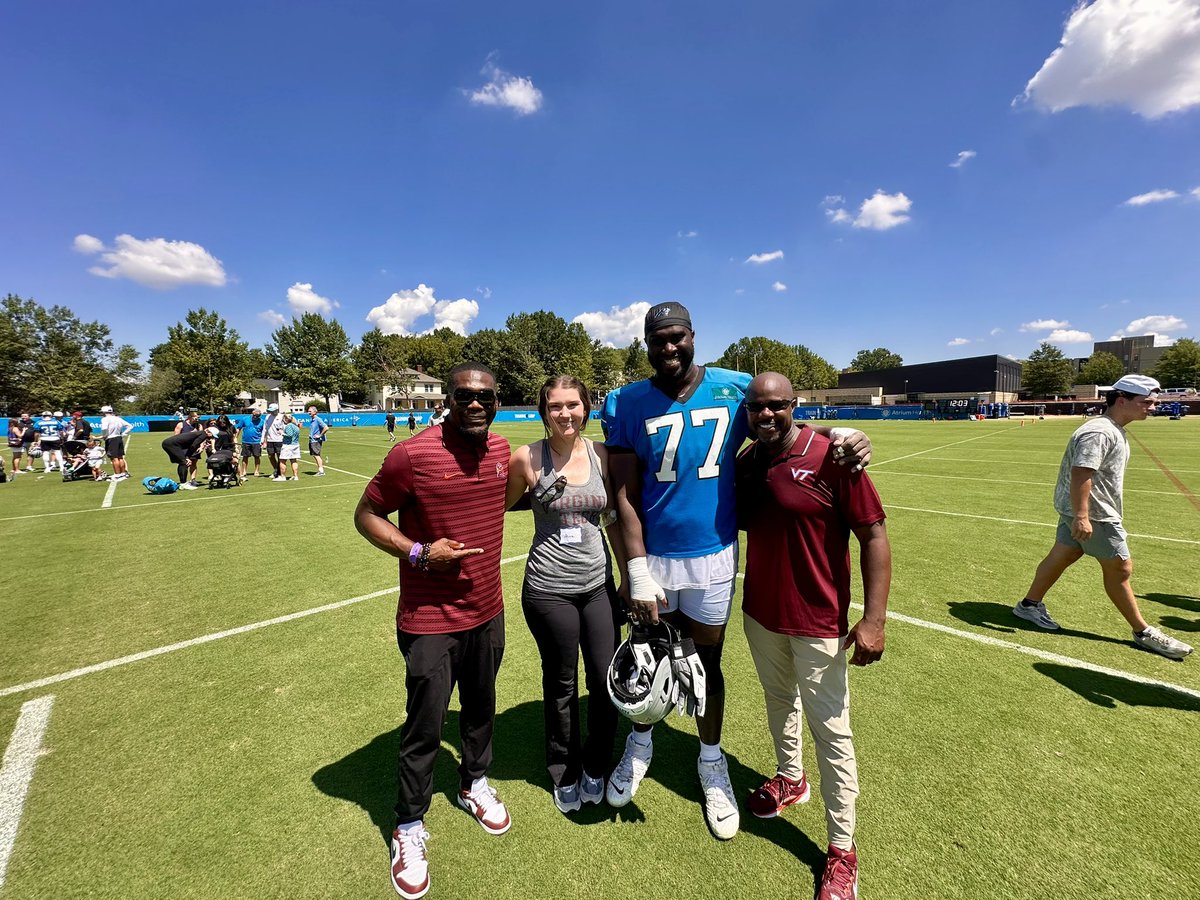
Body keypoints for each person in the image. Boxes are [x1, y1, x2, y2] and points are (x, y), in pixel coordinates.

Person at [601, 301, 871, 840]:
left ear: (693, 336)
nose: (669, 347)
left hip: (715, 554)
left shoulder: (733, 386)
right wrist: (635, 568)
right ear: (647, 344)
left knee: (706, 663)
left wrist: (843, 433)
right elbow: (623, 495)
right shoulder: (625, 402)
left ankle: (710, 760)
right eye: (658, 339)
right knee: (649, 658)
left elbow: (780, 418)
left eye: (677, 336)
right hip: (654, 556)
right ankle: (641, 742)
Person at [354, 362, 512, 900]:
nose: (475, 404)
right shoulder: (413, 454)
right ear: (446, 398)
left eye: (485, 396)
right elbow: (367, 515)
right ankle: (409, 824)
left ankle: (474, 782)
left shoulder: (499, 451)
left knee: (482, 708)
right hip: (430, 621)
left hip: (488, 610)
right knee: (425, 726)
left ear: (496, 401)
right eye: (464, 395)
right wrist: (420, 552)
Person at [735, 372, 891, 900]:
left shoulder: (832, 457)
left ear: (794, 406)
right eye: (758, 407)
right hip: (760, 613)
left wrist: (874, 619)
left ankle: (842, 851)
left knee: (833, 732)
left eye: (778, 406)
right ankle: (789, 778)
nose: (767, 415)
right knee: (779, 701)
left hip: (819, 621)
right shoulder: (749, 462)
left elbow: (873, 533)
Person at [505, 375, 626, 814]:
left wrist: (631, 576)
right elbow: (499, 504)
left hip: (597, 587)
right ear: (543, 411)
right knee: (561, 685)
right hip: (548, 590)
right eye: (555, 406)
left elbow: (611, 516)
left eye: (573, 404)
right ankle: (565, 771)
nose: (564, 414)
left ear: (586, 407)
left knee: (603, 679)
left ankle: (596, 766)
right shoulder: (528, 459)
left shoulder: (601, 455)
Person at [1014, 374, 1192, 659]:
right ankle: (1142, 631)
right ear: (1122, 400)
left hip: (1082, 510)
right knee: (1120, 570)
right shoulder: (1100, 431)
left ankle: (1028, 605)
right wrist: (1083, 516)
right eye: (1146, 402)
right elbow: (1082, 472)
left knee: (1064, 555)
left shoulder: (1111, 428)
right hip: (1095, 515)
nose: (1153, 407)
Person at [99, 405, 134, 481]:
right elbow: (130, 426)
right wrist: (124, 434)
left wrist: (104, 436)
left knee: (114, 458)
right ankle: (123, 473)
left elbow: (104, 428)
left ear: (104, 412)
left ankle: (117, 474)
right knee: (120, 457)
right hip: (118, 438)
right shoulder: (118, 418)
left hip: (111, 439)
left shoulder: (105, 419)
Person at [238, 410, 265, 478]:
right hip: (246, 441)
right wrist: (235, 437)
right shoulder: (245, 419)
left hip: (257, 441)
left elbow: (264, 432)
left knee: (257, 456)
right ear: (252, 414)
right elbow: (239, 428)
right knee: (245, 457)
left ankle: (256, 471)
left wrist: (264, 442)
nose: (255, 417)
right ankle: (244, 471)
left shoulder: (262, 421)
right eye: (254, 415)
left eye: (257, 416)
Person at [262, 403, 286, 479]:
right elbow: (265, 428)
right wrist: (262, 439)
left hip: (279, 440)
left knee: (280, 456)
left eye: (272, 411)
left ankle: (279, 472)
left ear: (277, 410)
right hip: (270, 440)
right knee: (270, 455)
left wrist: (283, 434)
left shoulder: (282, 417)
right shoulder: (267, 417)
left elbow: (285, 427)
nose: (271, 412)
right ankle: (276, 469)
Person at [307, 405, 329, 476]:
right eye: (308, 411)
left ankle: (321, 471)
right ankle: (320, 470)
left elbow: (326, 427)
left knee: (316, 455)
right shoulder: (313, 420)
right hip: (312, 440)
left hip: (316, 441)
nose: (308, 412)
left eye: (310, 411)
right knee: (315, 455)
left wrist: (320, 435)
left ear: (315, 412)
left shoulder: (317, 419)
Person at [279, 414, 301, 480]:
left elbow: (289, 435)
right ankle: (295, 476)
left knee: (282, 460)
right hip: (295, 444)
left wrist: (281, 433)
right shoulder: (295, 426)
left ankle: (283, 476)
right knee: (293, 460)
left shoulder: (289, 425)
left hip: (288, 445)